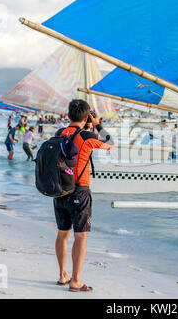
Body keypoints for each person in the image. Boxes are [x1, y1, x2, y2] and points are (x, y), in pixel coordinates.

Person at [54, 99, 114, 292]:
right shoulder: (87, 136)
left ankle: (63, 274)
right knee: (81, 236)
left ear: (68, 115)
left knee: (63, 233)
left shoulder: (59, 133)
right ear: (87, 115)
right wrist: (96, 124)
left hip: (60, 189)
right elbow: (110, 143)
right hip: (79, 190)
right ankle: (76, 280)